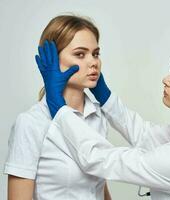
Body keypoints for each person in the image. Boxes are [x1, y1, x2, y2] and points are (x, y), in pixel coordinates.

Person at [37, 43, 170, 200]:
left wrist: (60, 109)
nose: (167, 79)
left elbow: (98, 158)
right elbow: (144, 133)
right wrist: (104, 95)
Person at [4, 15, 112, 200]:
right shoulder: (31, 123)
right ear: (52, 59)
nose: (93, 62)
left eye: (95, 53)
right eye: (80, 54)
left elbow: (98, 187)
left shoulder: (98, 116)